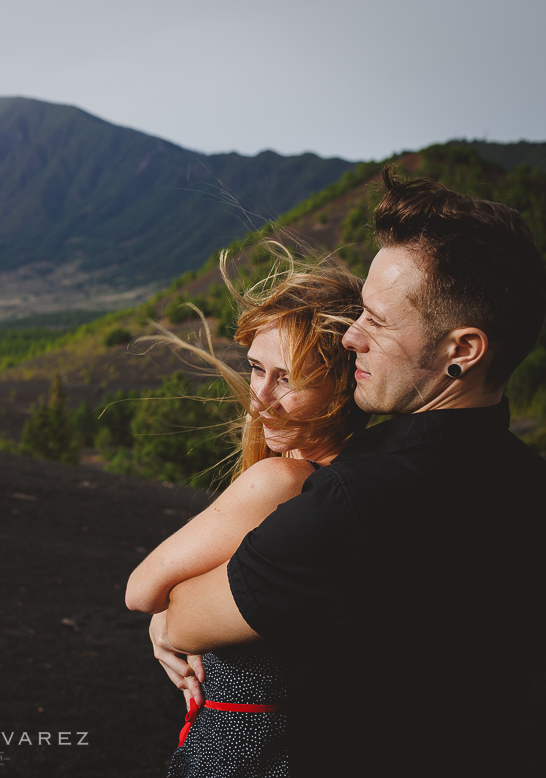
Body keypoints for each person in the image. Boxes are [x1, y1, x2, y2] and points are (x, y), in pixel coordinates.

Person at [155, 167, 546, 777]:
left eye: (378, 320)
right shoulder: (530, 482)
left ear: (463, 349)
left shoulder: (356, 497)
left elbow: (187, 619)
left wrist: (168, 615)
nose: (352, 336)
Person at [125, 244, 367, 777]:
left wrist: (168, 615)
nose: (260, 399)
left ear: (347, 381)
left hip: (241, 755)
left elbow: (140, 591)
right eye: (257, 368)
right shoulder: (362, 484)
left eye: (291, 378)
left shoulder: (281, 481)